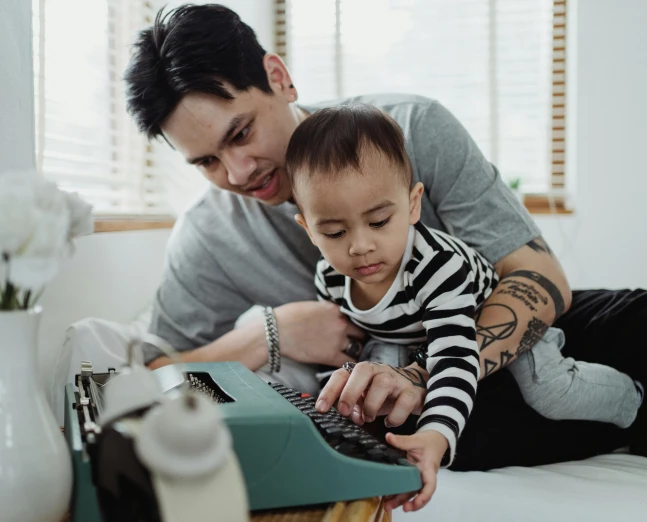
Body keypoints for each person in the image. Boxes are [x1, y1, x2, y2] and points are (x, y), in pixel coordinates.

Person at [123, 0, 646, 492]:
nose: (237, 172)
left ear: (278, 79)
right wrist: (268, 334)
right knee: (397, 426)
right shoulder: (209, 236)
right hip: (398, 394)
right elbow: (152, 375)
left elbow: (541, 278)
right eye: (206, 162)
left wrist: (423, 374)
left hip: (484, 336)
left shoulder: (411, 128)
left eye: (240, 134)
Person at [284, 103, 645, 511]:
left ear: (413, 204)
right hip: (416, 340)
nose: (360, 245)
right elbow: (352, 350)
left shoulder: (436, 266)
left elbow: (456, 356)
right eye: (334, 231)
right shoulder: (329, 278)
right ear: (308, 229)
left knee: (550, 391)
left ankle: (632, 400)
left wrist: (437, 435)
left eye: (380, 221)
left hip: (489, 324)